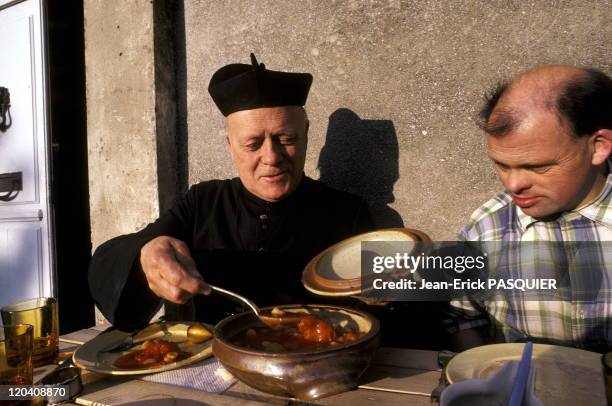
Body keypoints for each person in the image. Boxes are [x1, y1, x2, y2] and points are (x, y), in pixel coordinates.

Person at [88, 54, 373, 331]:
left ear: (307, 133)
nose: (272, 157)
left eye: (286, 139)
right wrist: (145, 254)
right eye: (252, 144)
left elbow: (406, 300)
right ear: (230, 146)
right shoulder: (203, 203)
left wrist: (392, 290)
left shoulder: (349, 212)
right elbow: (108, 262)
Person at [447, 65, 612, 352]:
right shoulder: (487, 229)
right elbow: (462, 317)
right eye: (501, 165)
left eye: (537, 166)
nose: (514, 184)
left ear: (598, 146)